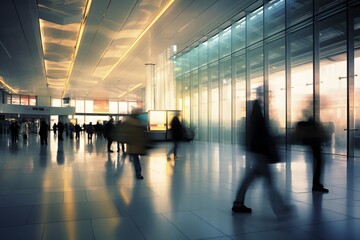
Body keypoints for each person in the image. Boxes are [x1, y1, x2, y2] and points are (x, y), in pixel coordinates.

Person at [232, 91, 292, 218]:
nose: (271, 97)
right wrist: (272, 139)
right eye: (268, 95)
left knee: (250, 177)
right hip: (260, 151)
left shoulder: (256, 109)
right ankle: (280, 208)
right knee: (269, 181)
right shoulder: (257, 109)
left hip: (258, 150)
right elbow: (260, 132)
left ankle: (238, 203)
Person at [295, 117, 329, 193]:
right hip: (315, 145)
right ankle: (316, 185)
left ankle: (316, 184)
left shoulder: (309, 127)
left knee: (318, 164)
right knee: (319, 163)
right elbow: (321, 135)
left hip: (314, 145)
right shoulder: (313, 126)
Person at [123, 109, 147, 179]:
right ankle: (138, 173)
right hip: (138, 144)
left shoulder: (128, 122)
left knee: (135, 158)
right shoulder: (139, 122)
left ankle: (138, 172)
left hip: (132, 144)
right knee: (136, 158)